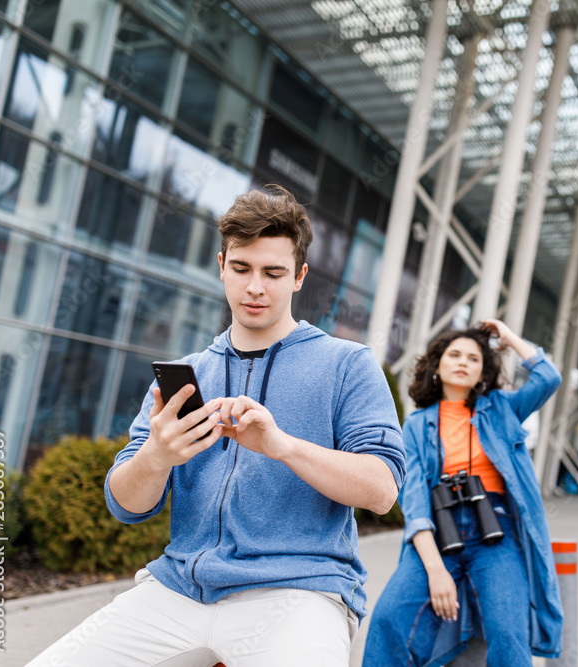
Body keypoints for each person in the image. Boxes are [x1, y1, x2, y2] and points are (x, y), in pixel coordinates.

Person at [28, 185, 405, 667]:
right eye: (243, 269)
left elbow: (382, 491)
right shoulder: (184, 376)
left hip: (298, 594)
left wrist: (282, 446)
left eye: (274, 273)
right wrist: (157, 456)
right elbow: (125, 505)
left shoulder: (348, 364)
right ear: (222, 265)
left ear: (299, 277)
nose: (255, 288)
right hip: (178, 589)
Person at [362, 320, 563, 667]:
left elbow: (549, 379)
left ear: (483, 372)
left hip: (496, 533)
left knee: (509, 633)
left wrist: (509, 337)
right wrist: (436, 570)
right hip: (436, 531)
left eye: (473, 358)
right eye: (454, 354)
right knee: (387, 620)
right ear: (437, 366)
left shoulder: (501, 409)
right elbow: (415, 502)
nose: (463, 362)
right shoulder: (416, 424)